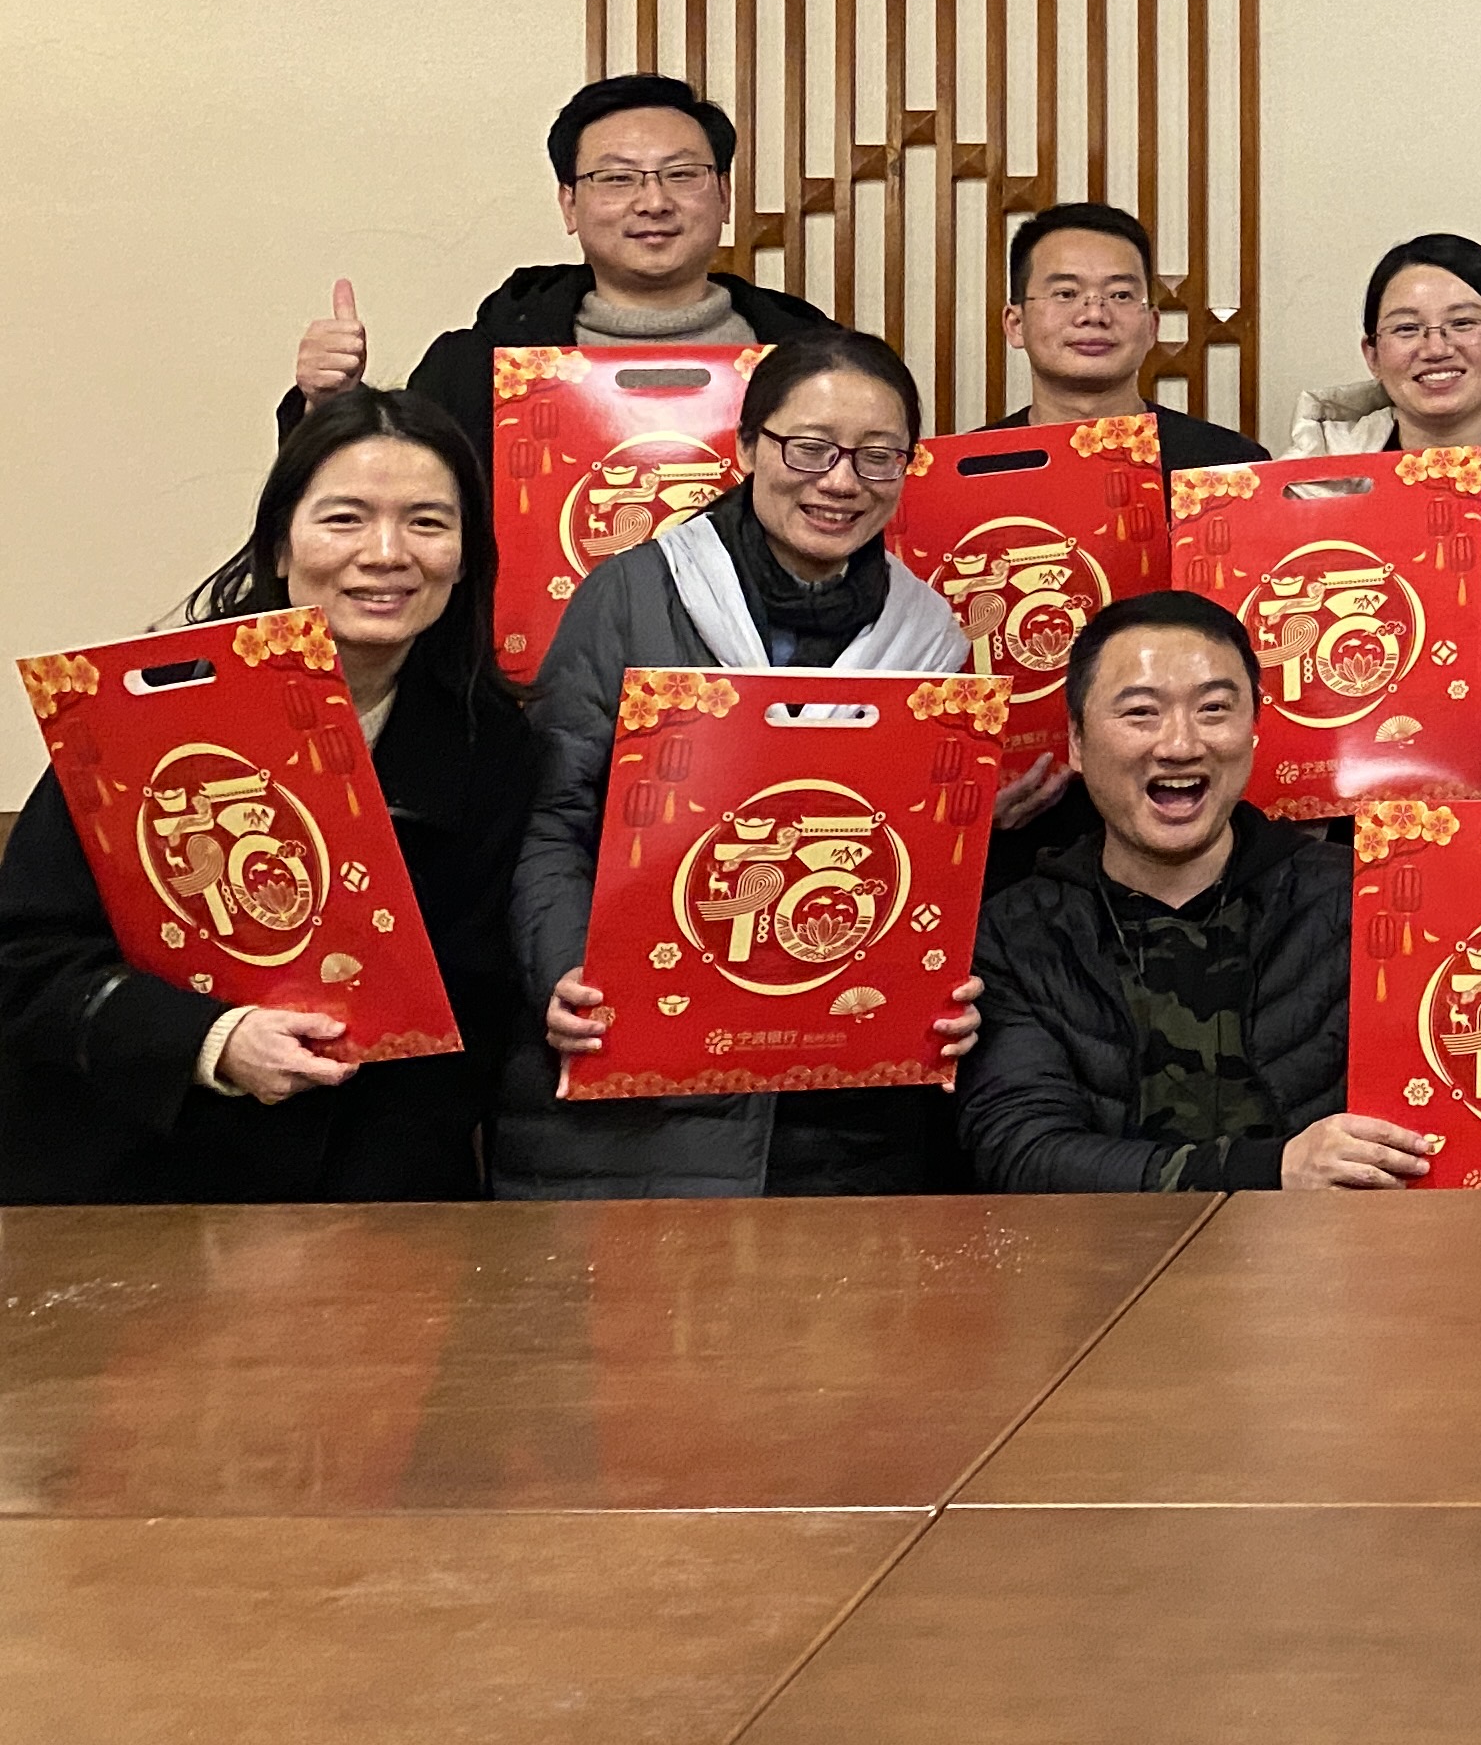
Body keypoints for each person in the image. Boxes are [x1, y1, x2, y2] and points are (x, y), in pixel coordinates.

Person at [962, 591, 1481, 1190]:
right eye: (1140, 713)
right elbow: (1021, 1152)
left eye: (1214, 710)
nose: (1181, 743)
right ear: (1076, 740)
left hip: (1346, 1290)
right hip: (1103, 1290)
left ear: (1255, 728)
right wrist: (1274, 1170)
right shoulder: (1018, 933)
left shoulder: (1372, 901)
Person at [0, 392, 530, 1203]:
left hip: (378, 1198)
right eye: (345, 519)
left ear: (465, 558)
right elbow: (26, 961)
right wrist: (212, 1041)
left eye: (427, 523)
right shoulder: (147, 713)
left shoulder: (492, 746)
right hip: (131, 1182)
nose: (387, 553)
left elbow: (477, 1011)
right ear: (280, 545)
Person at [496, 328, 983, 1199]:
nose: (841, 482)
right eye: (810, 448)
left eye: (878, 457)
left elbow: (925, 873)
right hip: (639, 1094)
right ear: (749, 446)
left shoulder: (930, 640)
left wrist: (942, 988)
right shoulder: (637, 594)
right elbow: (555, 815)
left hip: (846, 1114)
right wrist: (564, 970)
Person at [284, 70, 825, 473]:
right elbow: (391, 500)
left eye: (682, 174)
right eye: (616, 179)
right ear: (569, 205)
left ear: (724, 195)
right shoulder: (479, 366)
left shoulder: (812, 354)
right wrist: (329, 406)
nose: (653, 201)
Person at [1287, 234, 1481, 653]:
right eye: (1407, 329)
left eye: (1463, 323)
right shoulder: (1311, 484)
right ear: (1373, 354)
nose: (1436, 348)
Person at [990, 201, 1264, 468]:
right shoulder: (974, 468)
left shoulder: (1230, 466)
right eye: (1066, 293)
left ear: (1152, 326)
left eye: (1120, 295)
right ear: (1016, 324)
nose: (1094, 314)